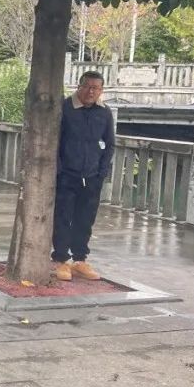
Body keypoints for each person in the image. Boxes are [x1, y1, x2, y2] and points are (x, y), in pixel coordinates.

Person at [52, 71, 114, 281]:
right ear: (79, 87)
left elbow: (110, 143)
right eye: (87, 87)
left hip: (92, 175)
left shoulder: (104, 112)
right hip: (67, 174)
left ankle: (80, 259)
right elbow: (55, 140)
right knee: (62, 217)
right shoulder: (65, 108)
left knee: (85, 219)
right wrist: (59, 169)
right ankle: (61, 259)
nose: (91, 92)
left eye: (96, 88)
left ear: (101, 91)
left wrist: (102, 171)